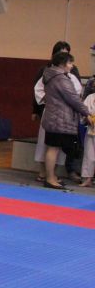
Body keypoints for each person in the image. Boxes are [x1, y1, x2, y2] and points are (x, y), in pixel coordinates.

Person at [33, 41, 82, 183]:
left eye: (66, 53)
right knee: (48, 145)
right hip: (52, 113)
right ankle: (45, 174)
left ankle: (52, 174)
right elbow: (38, 90)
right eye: (61, 53)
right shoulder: (47, 71)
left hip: (66, 115)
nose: (64, 57)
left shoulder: (72, 74)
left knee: (57, 147)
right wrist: (42, 104)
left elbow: (76, 93)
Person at [41, 52, 91, 190]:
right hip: (59, 119)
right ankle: (50, 178)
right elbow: (73, 99)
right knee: (53, 148)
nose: (71, 66)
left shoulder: (51, 75)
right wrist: (87, 113)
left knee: (53, 148)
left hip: (54, 117)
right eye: (69, 63)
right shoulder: (60, 79)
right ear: (62, 64)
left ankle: (51, 176)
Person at [80, 91, 95, 187]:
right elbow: (83, 110)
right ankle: (88, 179)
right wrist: (87, 117)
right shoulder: (90, 97)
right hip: (91, 129)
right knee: (89, 154)